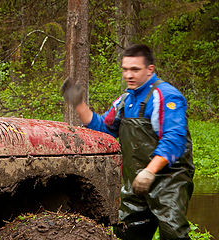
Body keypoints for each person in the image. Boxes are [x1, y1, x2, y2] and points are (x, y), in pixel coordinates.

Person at [62, 44, 194, 240]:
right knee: (127, 232)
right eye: (125, 69)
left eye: (135, 69)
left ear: (150, 69)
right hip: (135, 183)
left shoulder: (165, 95)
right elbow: (104, 128)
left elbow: (174, 138)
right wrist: (79, 104)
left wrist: (150, 171)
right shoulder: (125, 100)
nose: (128, 75)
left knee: (173, 233)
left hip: (169, 180)